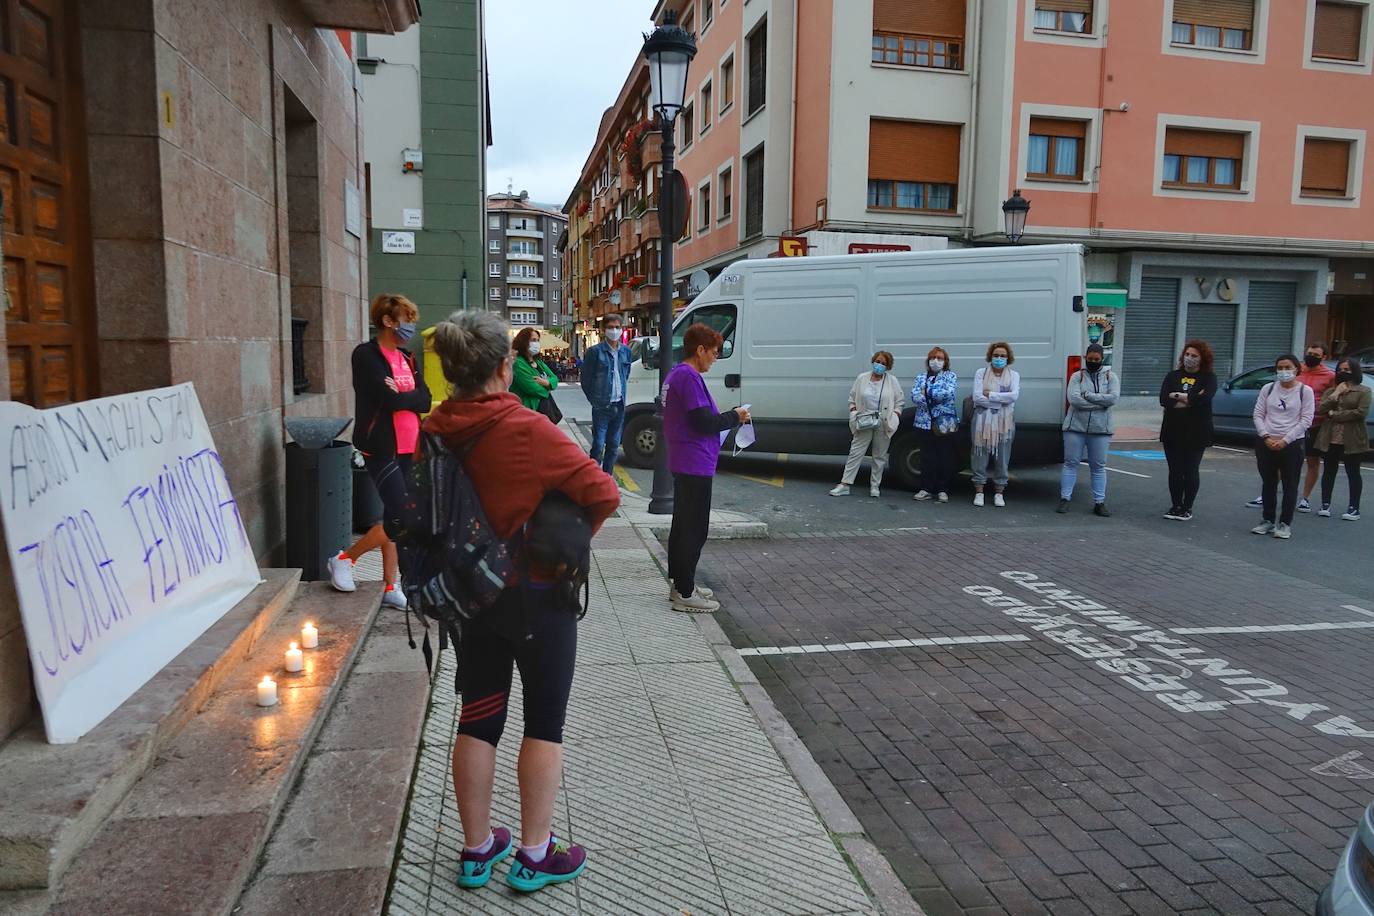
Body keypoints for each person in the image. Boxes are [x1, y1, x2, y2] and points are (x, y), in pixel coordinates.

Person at [422, 310, 620, 893]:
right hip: (536, 595)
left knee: (479, 716)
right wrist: (566, 538)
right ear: (505, 367)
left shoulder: (436, 428)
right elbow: (602, 492)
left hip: (470, 594)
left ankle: (478, 849)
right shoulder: (525, 428)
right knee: (544, 723)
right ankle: (535, 854)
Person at [327, 294, 431, 608]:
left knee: (393, 514)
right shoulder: (366, 355)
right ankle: (345, 558)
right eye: (407, 318)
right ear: (388, 320)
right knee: (402, 516)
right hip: (381, 446)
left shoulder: (407, 357)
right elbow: (390, 401)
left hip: (410, 446)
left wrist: (404, 393)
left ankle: (390, 586)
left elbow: (424, 400)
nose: (411, 325)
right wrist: (404, 395)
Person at [663, 323, 751, 613]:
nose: (715, 357)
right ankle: (685, 592)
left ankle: (681, 582)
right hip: (693, 460)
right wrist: (735, 416)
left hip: (688, 458)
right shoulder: (687, 377)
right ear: (699, 350)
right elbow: (703, 422)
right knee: (693, 527)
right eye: (713, 352)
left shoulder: (680, 375)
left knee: (684, 524)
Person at [1247, 341, 1334, 510]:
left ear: (1323, 357)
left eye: (1316, 355)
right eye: (1309, 353)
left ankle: (1305, 498)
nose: (1311, 357)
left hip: (1315, 423)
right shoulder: (1295, 371)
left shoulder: (1329, 376)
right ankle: (1268, 494)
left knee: (1312, 462)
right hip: (1286, 424)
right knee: (1277, 463)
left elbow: (1332, 396)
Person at [1251, 354, 1315, 539]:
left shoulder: (1305, 391)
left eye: (1288, 367)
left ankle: (1285, 523)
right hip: (1266, 442)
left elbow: (1306, 419)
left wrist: (1286, 440)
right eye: (1280, 368)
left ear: (1296, 369)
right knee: (1269, 482)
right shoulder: (1268, 389)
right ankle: (1268, 520)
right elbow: (1258, 414)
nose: (1284, 371)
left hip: (1292, 443)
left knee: (1290, 484)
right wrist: (1265, 436)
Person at [830, 352, 905, 498]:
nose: (879, 365)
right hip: (864, 421)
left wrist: (895, 416)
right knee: (855, 452)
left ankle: (875, 486)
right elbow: (852, 397)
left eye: (883, 363)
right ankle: (844, 484)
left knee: (879, 456)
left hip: (883, 422)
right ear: (873, 362)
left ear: (888, 366)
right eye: (877, 361)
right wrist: (853, 411)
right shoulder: (862, 378)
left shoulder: (892, 381)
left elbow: (899, 402)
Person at [1159, 340, 1217, 521]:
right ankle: (1175, 505)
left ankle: (1187, 507)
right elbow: (1164, 399)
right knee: (1175, 470)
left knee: (1190, 469)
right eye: (1187, 354)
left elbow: (1205, 398)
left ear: (1202, 359)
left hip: (1197, 431)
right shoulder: (1172, 376)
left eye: (1194, 356)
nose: (1189, 358)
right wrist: (1190, 399)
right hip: (1173, 429)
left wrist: (1178, 396)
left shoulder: (1209, 377)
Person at [1058, 343, 1118, 517]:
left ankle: (1099, 503)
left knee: (1098, 466)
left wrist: (1089, 396)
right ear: (1085, 358)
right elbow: (1074, 400)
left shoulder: (1110, 376)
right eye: (1090, 359)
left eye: (1096, 359)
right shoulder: (1077, 376)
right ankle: (1065, 499)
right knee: (1070, 463)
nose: (1093, 362)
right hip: (1075, 427)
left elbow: (1113, 398)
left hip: (1101, 429)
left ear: (1102, 359)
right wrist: (1101, 404)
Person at [1314, 358, 1370, 521]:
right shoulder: (1331, 390)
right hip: (1330, 437)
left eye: (1347, 369)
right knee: (1329, 471)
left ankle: (1354, 508)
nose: (1343, 372)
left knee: (1353, 472)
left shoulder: (1364, 391)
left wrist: (1334, 415)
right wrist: (1336, 393)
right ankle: (1325, 504)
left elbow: (1360, 413)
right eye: (1340, 369)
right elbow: (1322, 408)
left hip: (1352, 438)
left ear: (1355, 371)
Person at [580, 314, 632, 475]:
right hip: (602, 405)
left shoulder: (626, 351)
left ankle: (607, 479)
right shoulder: (595, 352)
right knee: (598, 445)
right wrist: (595, 400)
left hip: (619, 404)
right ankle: (593, 478)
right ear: (604, 330)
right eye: (610, 327)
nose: (614, 331)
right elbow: (585, 379)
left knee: (614, 446)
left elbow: (626, 374)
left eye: (617, 327)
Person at [970, 342, 1020, 507]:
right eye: (996, 355)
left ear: (1008, 358)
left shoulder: (1014, 375)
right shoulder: (981, 373)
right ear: (990, 356)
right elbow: (977, 398)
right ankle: (979, 491)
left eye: (1003, 356)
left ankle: (999, 492)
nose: (999, 358)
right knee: (979, 455)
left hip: (1004, 423)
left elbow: (1013, 396)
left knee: (1002, 457)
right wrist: (1001, 399)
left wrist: (990, 395)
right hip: (982, 422)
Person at [911, 346, 958, 502]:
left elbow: (947, 394)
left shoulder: (950, 376)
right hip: (923, 423)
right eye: (933, 358)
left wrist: (927, 393)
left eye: (940, 358)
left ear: (945, 362)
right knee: (926, 457)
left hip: (943, 423)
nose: (936, 361)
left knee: (943, 457)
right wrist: (931, 395)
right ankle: (926, 488)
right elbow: (915, 396)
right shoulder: (921, 377)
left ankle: (942, 489)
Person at [510, 327, 559, 415]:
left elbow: (555, 378)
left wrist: (547, 383)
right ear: (523, 342)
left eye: (537, 340)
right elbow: (531, 388)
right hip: (525, 411)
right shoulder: (518, 363)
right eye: (533, 340)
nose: (536, 343)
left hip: (541, 410)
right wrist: (548, 389)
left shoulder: (538, 362)